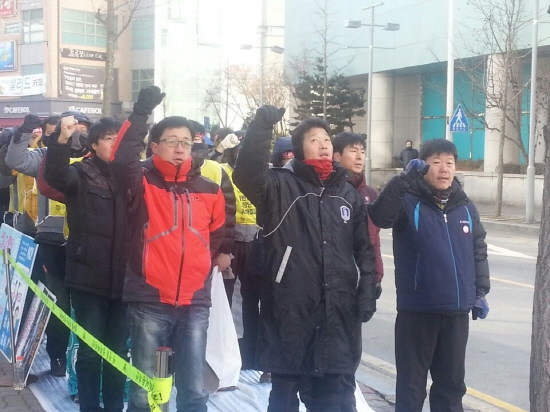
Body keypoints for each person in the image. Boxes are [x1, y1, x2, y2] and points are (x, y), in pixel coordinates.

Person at [233, 106, 377, 412]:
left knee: (336, 395)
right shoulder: (280, 186)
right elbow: (246, 174)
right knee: (285, 391)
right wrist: (260, 128)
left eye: (326, 138)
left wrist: (367, 289)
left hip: (337, 310)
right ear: (299, 150)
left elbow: (364, 249)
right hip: (290, 307)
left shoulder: (346, 193)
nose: (323, 143)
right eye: (314, 139)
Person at [110, 86, 226, 412]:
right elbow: (121, 159)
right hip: (150, 300)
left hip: (195, 303)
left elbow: (215, 238)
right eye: (171, 141)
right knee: (145, 391)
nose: (179, 149)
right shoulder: (142, 181)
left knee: (193, 389)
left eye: (186, 143)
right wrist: (140, 112)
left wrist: (199, 269)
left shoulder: (210, 189)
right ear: (155, 146)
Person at [367, 138, 490, 412]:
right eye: (436, 162)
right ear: (424, 166)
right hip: (418, 312)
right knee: (411, 387)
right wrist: (401, 181)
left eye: (449, 163)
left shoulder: (465, 206)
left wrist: (480, 291)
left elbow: (478, 249)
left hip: (456, 313)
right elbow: (379, 216)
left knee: (451, 386)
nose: (444, 169)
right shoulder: (408, 202)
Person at [44, 115, 129, 412]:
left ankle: (115, 407)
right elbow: (55, 175)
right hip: (88, 278)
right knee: (92, 353)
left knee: (118, 354)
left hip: (125, 282)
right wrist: (61, 140)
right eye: (108, 138)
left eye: (120, 138)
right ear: (93, 144)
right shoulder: (80, 174)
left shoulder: (134, 178)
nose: (115, 144)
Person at [5, 113, 81, 377]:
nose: (70, 135)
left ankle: (79, 360)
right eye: (62, 131)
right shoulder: (44, 157)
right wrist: (24, 131)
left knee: (84, 306)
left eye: (76, 131)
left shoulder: (95, 161)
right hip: (50, 240)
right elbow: (15, 160)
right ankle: (57, 358)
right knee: (55, 303)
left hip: (88, 243)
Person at [333, 132, 384, 297]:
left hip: (364, 274)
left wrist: (376, 276)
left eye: (362, 151)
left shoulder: (370, 194)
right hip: (334, 276)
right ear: (337, 156)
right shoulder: (329, 191)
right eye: (353, 151)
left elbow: (374, 240)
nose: (359, 156)